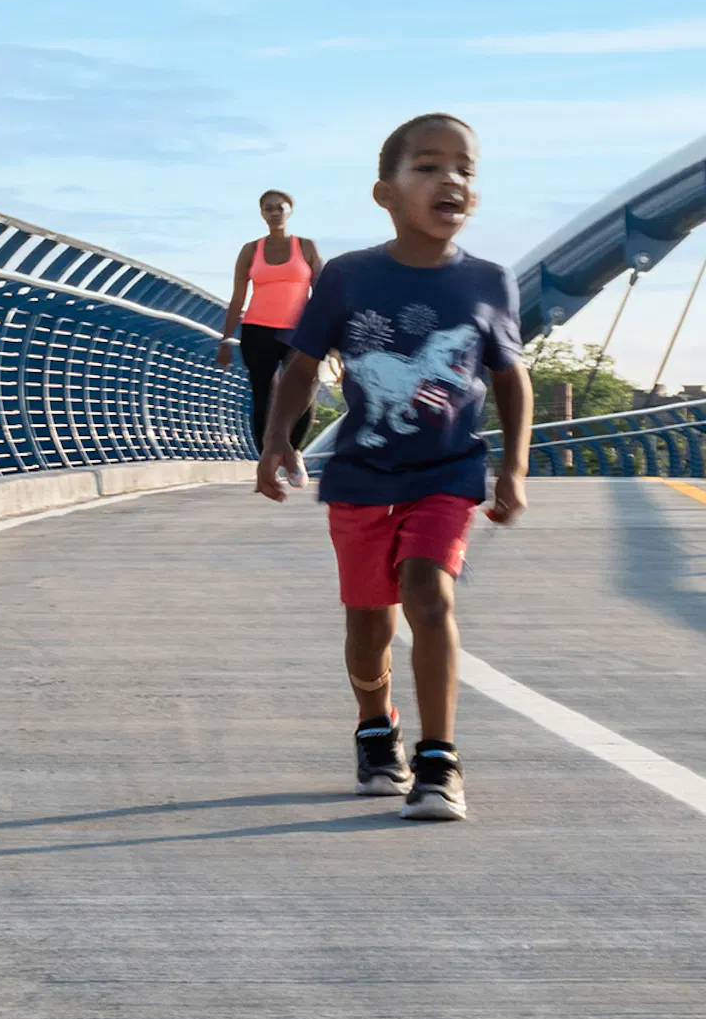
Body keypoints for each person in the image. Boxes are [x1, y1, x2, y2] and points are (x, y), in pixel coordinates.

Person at [254, 114, 529, 821]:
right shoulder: (348, 277)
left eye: (465, 169)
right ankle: (376, 727)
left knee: (428, 594)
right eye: (430, 167)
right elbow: (301, 364)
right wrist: (277, 441)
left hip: (447, 472)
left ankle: (440, 760)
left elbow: (511, 379)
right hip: (361, 477)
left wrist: (513, 469)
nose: (452, 181)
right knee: (367, 623)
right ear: (386, 192)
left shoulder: (491, 283)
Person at [216, 190, 319, 452]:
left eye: (279, 208)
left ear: (290, 211)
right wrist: (226, 339)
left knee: (303, 391)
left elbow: (322, 292)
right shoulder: (251, 250)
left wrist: (329, 332)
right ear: (262, 214)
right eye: (268, 209)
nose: (274, 213)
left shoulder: (305, 246)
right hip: (257, 330)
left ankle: (293, 453)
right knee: (264, 396)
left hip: (300, 332)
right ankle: (267, 459)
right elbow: (238, 297)